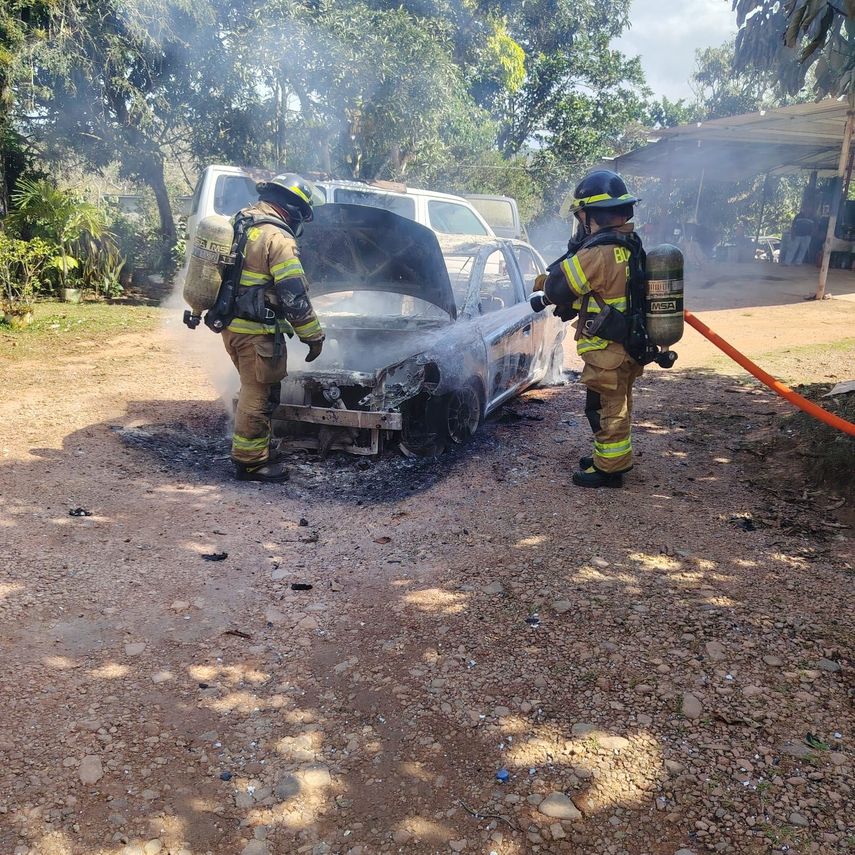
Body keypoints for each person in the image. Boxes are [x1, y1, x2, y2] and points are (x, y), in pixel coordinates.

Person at [540, 169, 643, 489]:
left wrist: (542, 284)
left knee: (606, 408)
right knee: (613, 404)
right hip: (625, 345)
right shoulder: (628, 244)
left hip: (607, 349)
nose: (581, 222)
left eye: (582, 215)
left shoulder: (598, 253)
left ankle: (609, 469)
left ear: (593, 214)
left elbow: (559, 287)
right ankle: (606, 458)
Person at [223, 173, 324, 482]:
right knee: (258, 394)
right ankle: (251, 462)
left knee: (258, 389)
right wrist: (313, 336)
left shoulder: (240, 224)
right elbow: (293, 296)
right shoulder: (277, 238)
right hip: (256, 333)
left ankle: (259, 450)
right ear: (293, 210)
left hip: (232, 326)